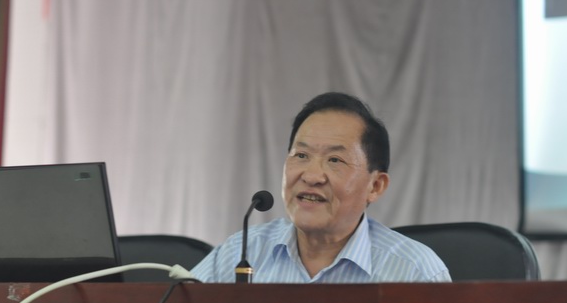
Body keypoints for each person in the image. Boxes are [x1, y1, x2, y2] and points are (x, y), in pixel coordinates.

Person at [190, 92, 451, 283]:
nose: (312, 176)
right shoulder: (240, 253)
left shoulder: (414, 272)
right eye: (301, 155)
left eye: (335, 160)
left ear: (375, 185)